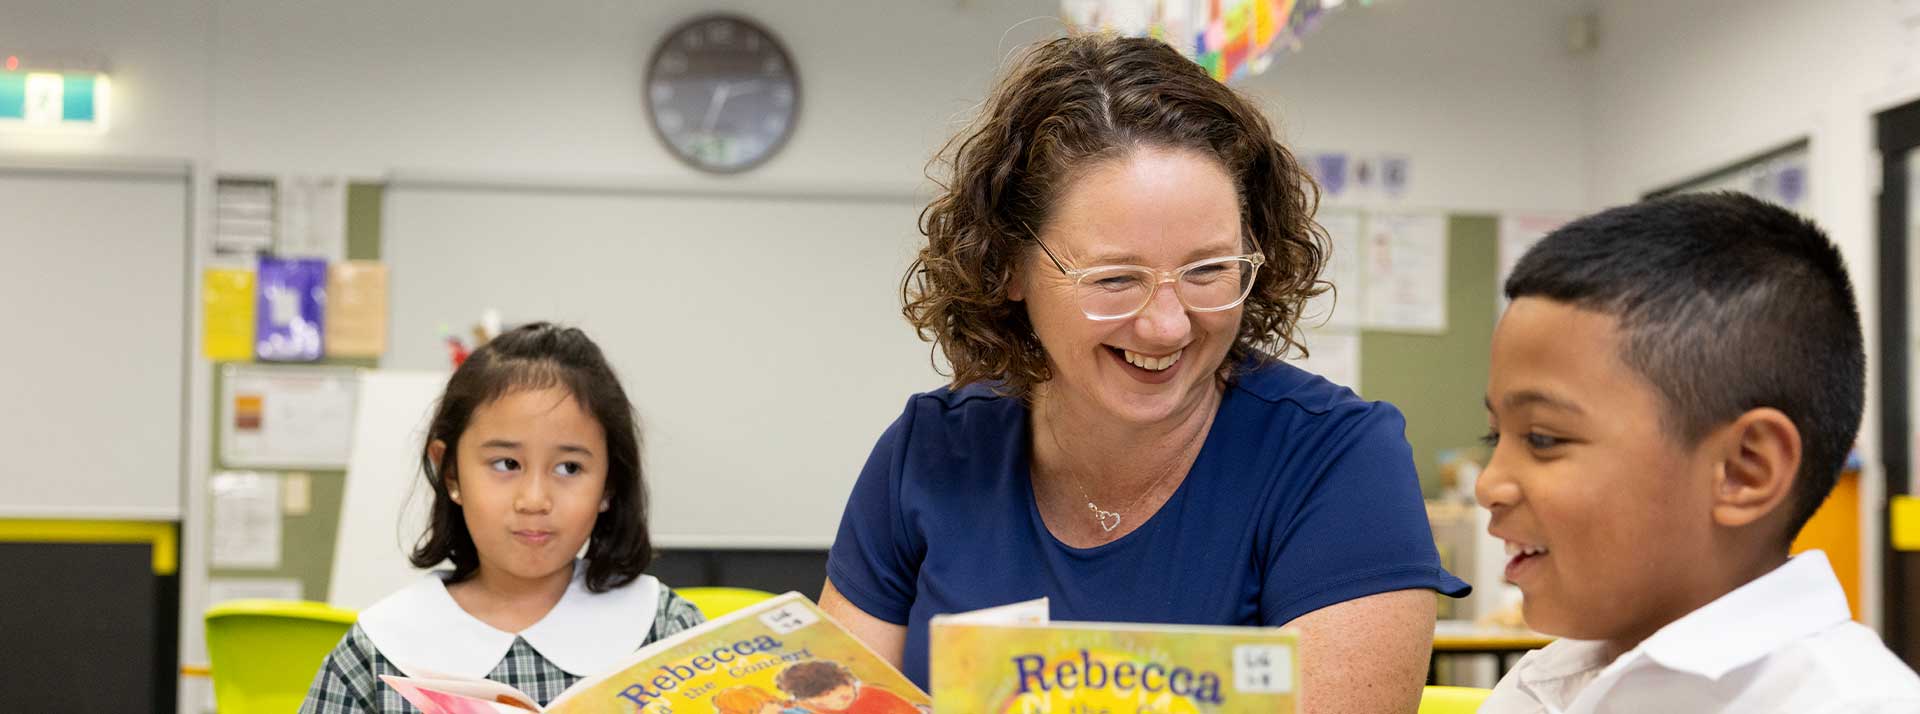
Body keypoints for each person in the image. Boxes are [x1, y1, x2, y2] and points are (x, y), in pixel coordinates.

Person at [819, 33, 1466, 712]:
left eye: (1209, 270)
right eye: (1115, 278)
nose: (1168, 325)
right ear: (1009, 267)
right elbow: (830, 698)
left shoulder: (1335, 460)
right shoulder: (930, 453)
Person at [1477, 192, 1920, 712]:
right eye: (1494, 437)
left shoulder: (1851, 703)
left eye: (1543, 439)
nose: (1489, 485)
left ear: (1743, 470)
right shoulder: (1540, 685)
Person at [301, 323, 705, 712]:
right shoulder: (377, 651)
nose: (534, 500)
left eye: (568, 468)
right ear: (451, 472)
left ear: (609, 484)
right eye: (506, 463)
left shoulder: (667, 632)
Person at [773, 661, 921, 714]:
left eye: (843, 696)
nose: (836, 704)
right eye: (822, 703)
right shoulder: (807, 707)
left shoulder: (875, 695)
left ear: (848, 680)